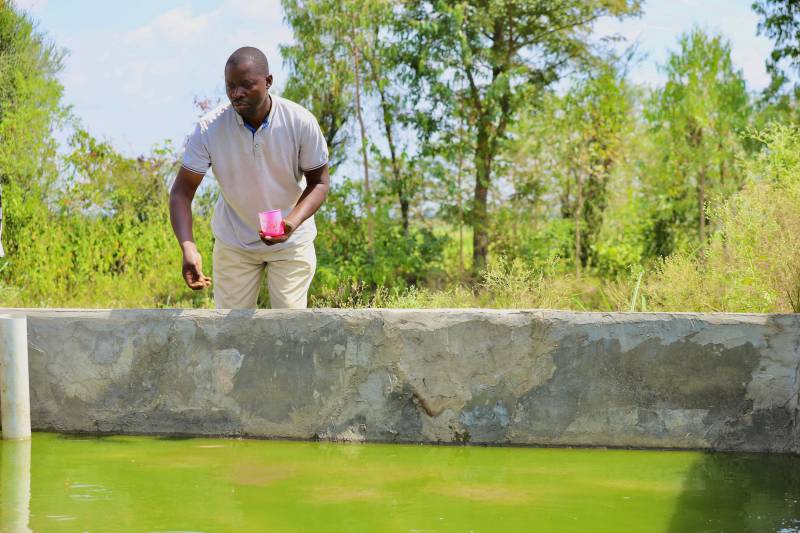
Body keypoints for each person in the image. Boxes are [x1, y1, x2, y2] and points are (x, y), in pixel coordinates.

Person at [169, 46, 330, 309]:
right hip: (235, 242)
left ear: (268, 82)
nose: (236, 93)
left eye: (246, 85)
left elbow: (319, 183)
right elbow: (181, 193)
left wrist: (291, 223)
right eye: (230, 86)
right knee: (231, 332)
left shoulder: (299, 122)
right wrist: (188, 248)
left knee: (288, 323)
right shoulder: (210, 129)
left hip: (291, 241)